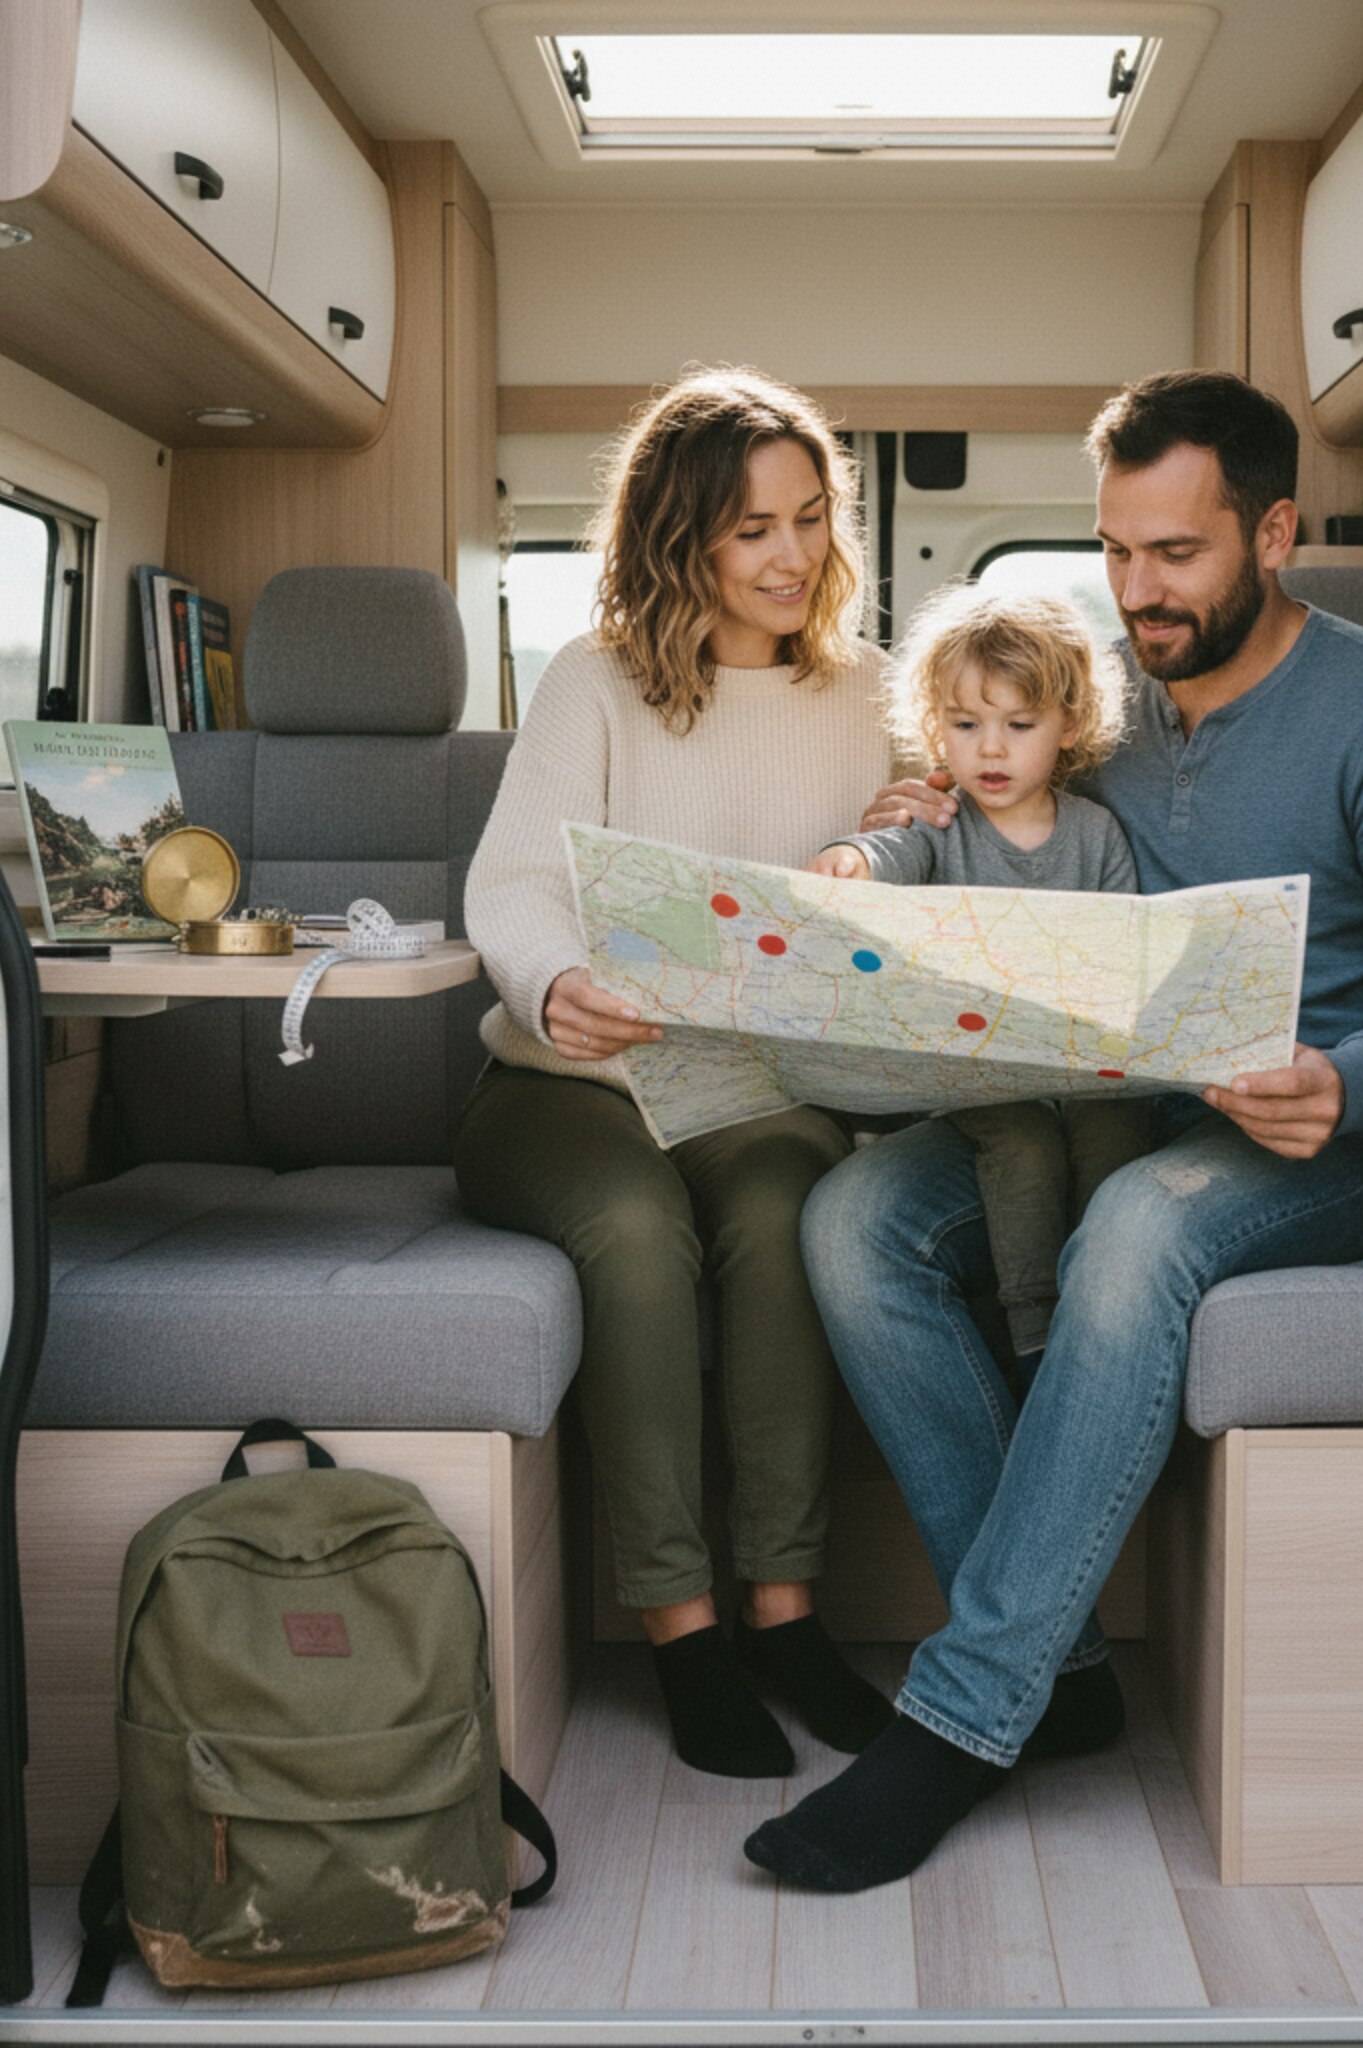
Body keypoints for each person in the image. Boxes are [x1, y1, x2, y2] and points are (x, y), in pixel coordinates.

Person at [746, 369, 1363, 1889]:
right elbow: (996, 805)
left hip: (1323, 1141)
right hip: (1101, 1104)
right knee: (846, 1223)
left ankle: (964, 1717)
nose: (1139, 593)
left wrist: (1350, 1084)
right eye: (1114, 552)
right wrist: (912, 816)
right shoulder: (1102, 695)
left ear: (1275, 532)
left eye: (1178, 554)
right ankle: (1070, 1673)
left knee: (1138, 1227)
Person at [458, 368, 893, 1778]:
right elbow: (513, 886)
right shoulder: (596, 681)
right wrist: (559, 982)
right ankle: (683, 1629)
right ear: (681, 537)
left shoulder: (871, 693)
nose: (789, 556)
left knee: (786, 1222)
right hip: (566, 1090)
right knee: (639, 1241)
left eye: (810, 520)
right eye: (751, 528)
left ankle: (783, 1610)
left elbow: (939, 848)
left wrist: (921, 820)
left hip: (755, 1090)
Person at [804, 581, 1150, 1362]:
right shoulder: (939, 822)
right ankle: (1034, 1332)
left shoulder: (1096, 837)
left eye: (1019, 725)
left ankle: (1099, 1304)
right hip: (977, 1070)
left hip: (1082, 1065)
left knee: (1115, 1126)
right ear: (937, 730)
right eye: (966, 725)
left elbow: (1125, 949)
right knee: (1023, 1144)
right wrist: (851, 858)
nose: (990, 748)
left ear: (1069, 728)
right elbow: (890, 854)